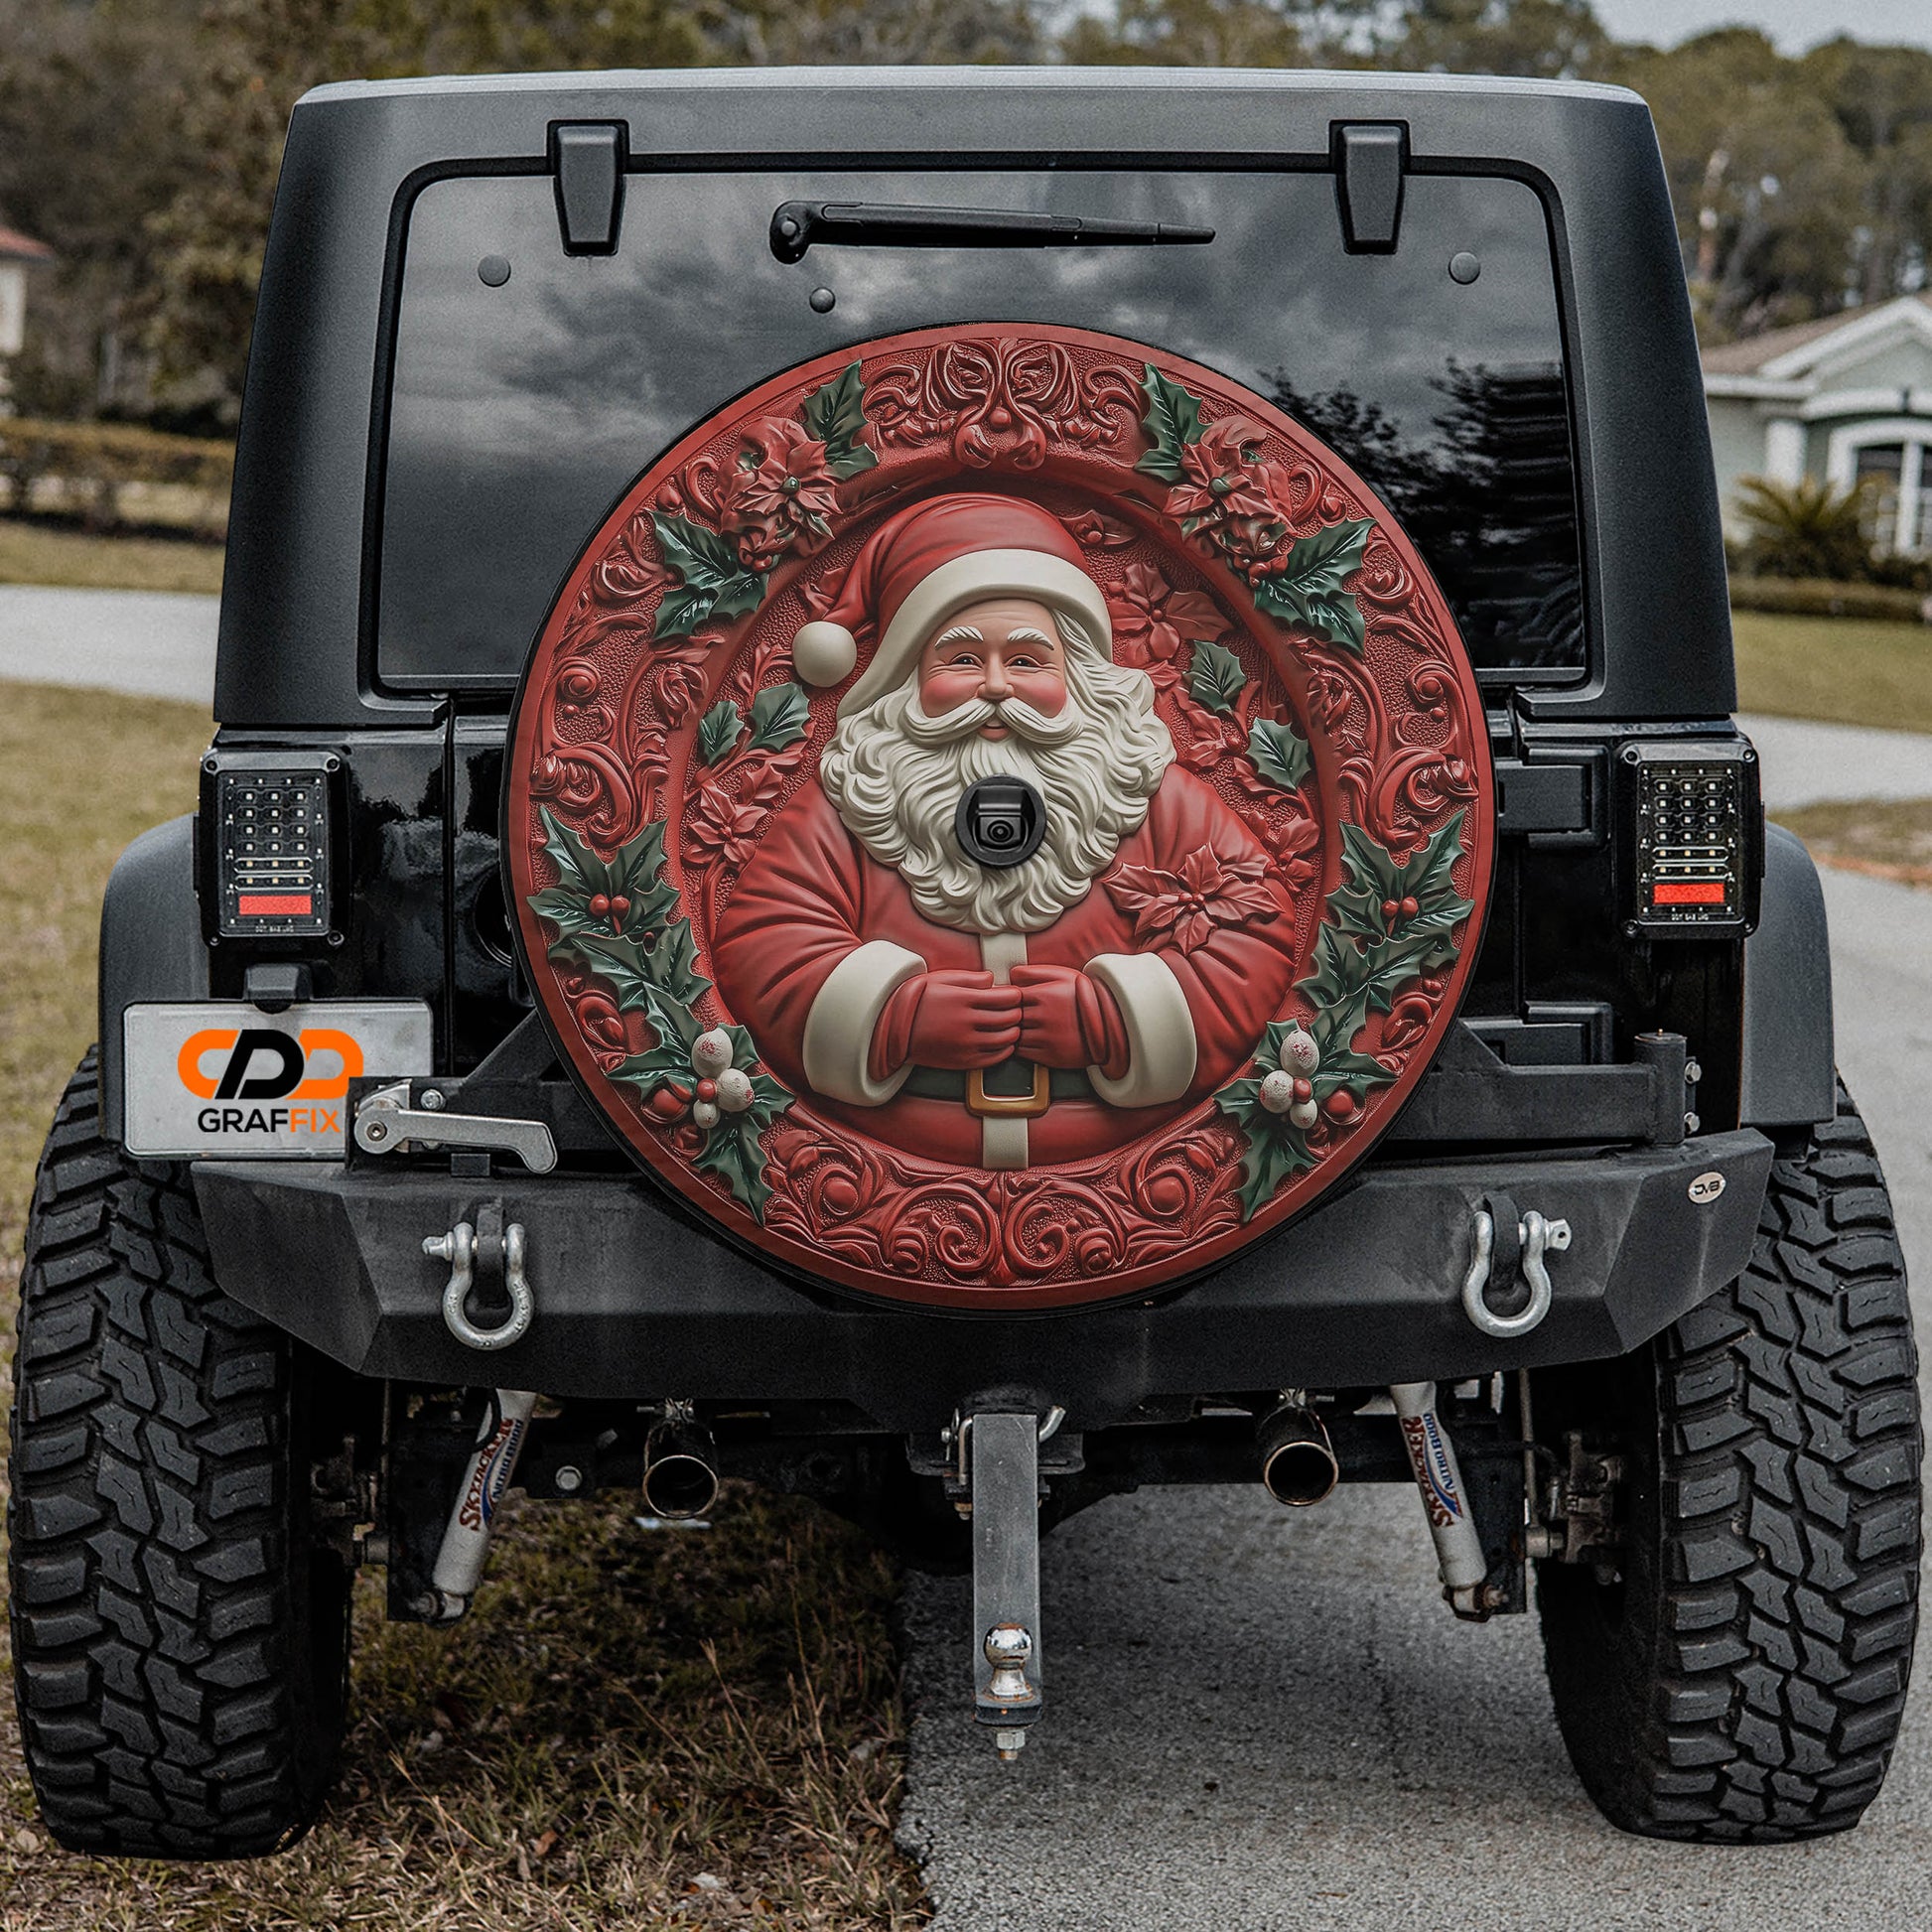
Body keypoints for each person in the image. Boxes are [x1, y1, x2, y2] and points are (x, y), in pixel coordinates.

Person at [712, 491, 1300, 1169]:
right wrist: (895, 1017)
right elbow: (763, 944)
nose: (995, 686)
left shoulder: (1155, 796)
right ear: (909, 677)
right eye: (962, 660)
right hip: (893, 1157)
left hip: (1127, 1157)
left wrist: (1107, 1019)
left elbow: (1253, 935)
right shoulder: (851, 799)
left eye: (1026, 661)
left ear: (1075, 675)